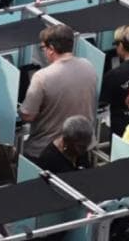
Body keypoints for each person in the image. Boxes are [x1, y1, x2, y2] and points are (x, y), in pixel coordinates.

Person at [20, 24, 97, 159]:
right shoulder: (88, 66)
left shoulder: (42, 77)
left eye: (43, 48)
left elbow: (28, 116)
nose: (43, 52)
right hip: (82, 147)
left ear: (51, 49)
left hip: (46, 151)